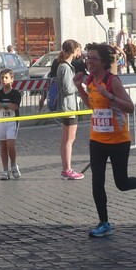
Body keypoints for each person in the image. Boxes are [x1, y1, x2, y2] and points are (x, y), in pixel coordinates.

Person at [72, 42, 136, 238]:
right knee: (97, 183)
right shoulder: (89, 80)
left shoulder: (112, 81)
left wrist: (110, 96)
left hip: (118, 139)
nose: (89, 62)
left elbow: (130, 108)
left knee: (122, 183)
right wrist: (79, 87)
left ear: (104, 61)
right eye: (87, 58)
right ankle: (104, 222)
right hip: (97, 138)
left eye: (93, 59)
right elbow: (92, 105)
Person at [56, 39, 84, 180]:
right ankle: (67, 169)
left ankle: (65, 168)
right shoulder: (66, 67)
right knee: (69, 139)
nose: (80, 52)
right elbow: (68, 89)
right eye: (78, 49)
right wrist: (79, 86)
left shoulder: (63, 66)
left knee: (66, 139)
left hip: (66, 106)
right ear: (73, 51)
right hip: (69, 106)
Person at [0, 69, 22, 180]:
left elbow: (15, 106)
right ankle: (5, 170)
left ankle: (13, 165)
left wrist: (2, 104)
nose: (4, 80)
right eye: (2, 78)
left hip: (12, 121)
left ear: (11, 79)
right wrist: (6, 104)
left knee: (10, 145)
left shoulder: (15, 93)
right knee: (3, 146)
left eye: (6, 77)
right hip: (0, 121)